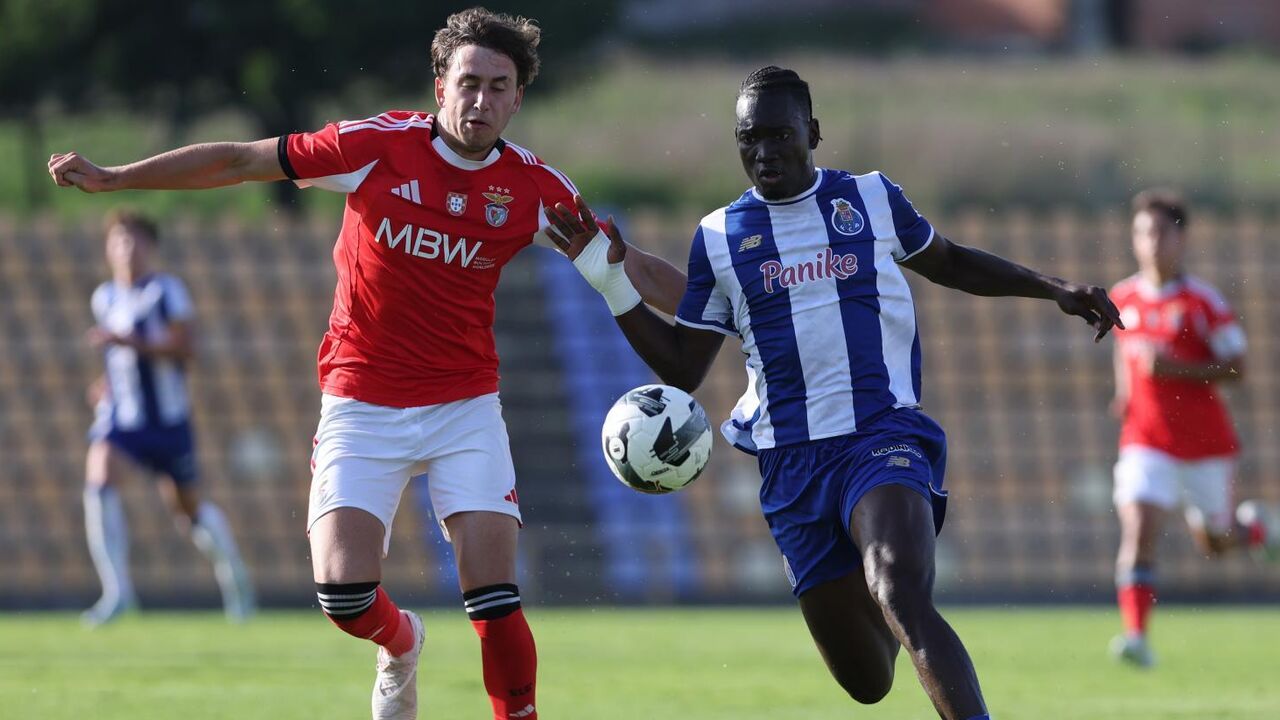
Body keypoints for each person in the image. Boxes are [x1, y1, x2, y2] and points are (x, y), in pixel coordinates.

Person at [49, 8, 683, 720]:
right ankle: (402, 640)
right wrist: (115, 179)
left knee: (495, 596)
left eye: (498, 87)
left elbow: (625, 264)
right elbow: (240, 160)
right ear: (439, 85)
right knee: (344, 595)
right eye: (468, 82)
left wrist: (729, 309)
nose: (481, 100)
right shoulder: (374, 145)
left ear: (517, 99)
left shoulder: (533, 188)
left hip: (464, 406)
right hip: (361, 399)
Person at [546, 66, 1124, 720]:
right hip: (791, 465)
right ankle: (898, 620)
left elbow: (953, 262)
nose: (764, 152)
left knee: (898, 590)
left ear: (812, 132)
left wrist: (1053, 288)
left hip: (881, 436)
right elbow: (681, 368)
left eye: (779, 135)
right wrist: (610, 283)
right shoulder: (719, 237)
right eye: (748, 139)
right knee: (868, 681)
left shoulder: (870, 199)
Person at [1107, 189, 1277, 668]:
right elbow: (1125, 353)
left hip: (1205, 447)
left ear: (1181, 238)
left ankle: (1254, 532)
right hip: (1145, 440)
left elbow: (1238, 367)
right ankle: (1136, 637)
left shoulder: (1203, 302)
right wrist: (1124, 394)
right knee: (1137, 527)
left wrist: (1175, 369)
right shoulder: (1123, 296)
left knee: (1215, 544)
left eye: (1161, 231)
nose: (1151, 242)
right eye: (1142, 232)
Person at [81, 209, 255, 626]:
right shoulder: (104, 297)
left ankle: (236, 581)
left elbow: (186, 347)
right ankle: (117, 590)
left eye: (135, 239)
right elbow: (117, 358)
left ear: (151, 246)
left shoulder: (166, 291)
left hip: (168, 422)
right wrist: (105, 383)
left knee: (188, 513)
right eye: (119, 239)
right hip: (123, 420)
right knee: (99, 478)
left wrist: (130, 342)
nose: (127, 247)